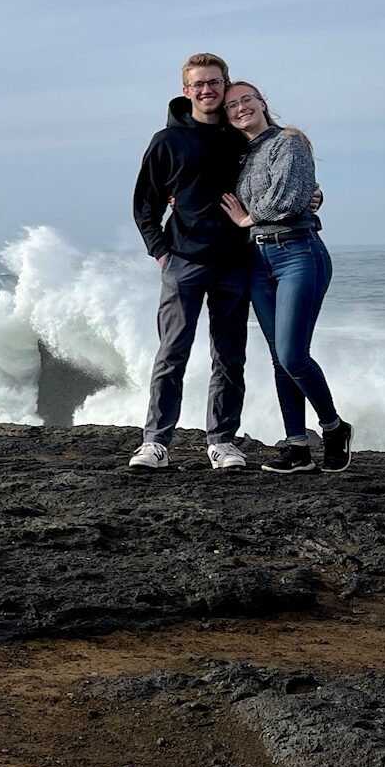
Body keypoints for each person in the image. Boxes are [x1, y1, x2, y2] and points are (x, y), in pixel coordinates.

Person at [219, 81, 353, 473]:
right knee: (280, 359)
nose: (241, 107)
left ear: (263, 103)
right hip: (257, 262)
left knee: (294, 355)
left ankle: (332, 426)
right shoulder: (238, 156)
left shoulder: (289, 142)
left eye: (247, 99)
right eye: (232, 105)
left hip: (297, 253)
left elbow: (289, 199)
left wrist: (248, 216)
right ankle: (297, 447)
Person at [128, 53, 254, 472]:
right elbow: (145, 204)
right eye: (199, 84)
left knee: (230, 356)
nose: (207, 90)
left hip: (235, 262)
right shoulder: (167, 141)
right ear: (186, 90)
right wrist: (161, 251)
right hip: (183, 262)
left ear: (225, 84)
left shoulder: (242, 137)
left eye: (214, 82)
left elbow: (277, 178)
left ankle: (222, 442)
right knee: (172, 353)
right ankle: (156, 442)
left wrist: (313, 197)